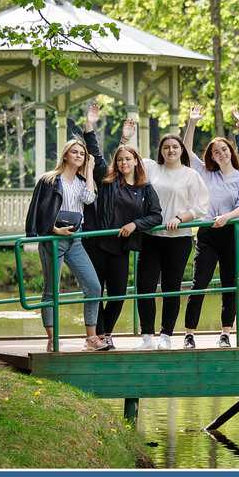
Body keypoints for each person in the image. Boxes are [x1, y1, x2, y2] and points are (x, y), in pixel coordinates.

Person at [180, 106, 239, 348]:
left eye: (224, 149)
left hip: (231, 233)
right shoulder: (205, 174)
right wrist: (192, 123)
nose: (221, 154)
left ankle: (225, 334)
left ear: (230, 152)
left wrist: (226, 217)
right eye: (216, 151)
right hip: (207, 233)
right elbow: (186, 151)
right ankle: (189, 334)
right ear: (211, 156)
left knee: (229, 285)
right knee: (199, 283)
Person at [25, 132, 105, 349]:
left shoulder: (82, 182)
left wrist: (89, 170)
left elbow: (89, 199)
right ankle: (52, 339)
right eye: (75, 152)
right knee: (51, 290)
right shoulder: (49, 180)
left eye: (82, 153)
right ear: (66, 156)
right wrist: (53, 230)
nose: (79, 155)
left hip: (75, 241)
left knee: (93, 286)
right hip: (53, 240)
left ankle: (91, 338)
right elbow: (38, 211)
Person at [137, 128, 207, 350]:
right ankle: (147, 336)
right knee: (145, 285)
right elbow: (126, 160)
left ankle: (166, 335)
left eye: (175, 147)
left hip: (178, 238)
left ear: (181, 150)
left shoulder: (190, 175)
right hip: (150, 236)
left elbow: (200, 207)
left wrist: (180, 217)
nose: (171, 150)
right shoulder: (150, 168)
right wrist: (126, 136)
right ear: (161, 151)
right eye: (166, 147)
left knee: (171, 287)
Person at [91, 137, 163, 347]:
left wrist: (135, 224)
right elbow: (95, 153)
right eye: (120, 159)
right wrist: (89, 127)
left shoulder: (145, 188)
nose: (124, 163)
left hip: (121, 249)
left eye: (128, 159)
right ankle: (101, 337)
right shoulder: (107, 181)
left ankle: (105, 333)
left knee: (118, 295)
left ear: (136, 162)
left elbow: (156, 216)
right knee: (95, 293)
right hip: (98, 245)